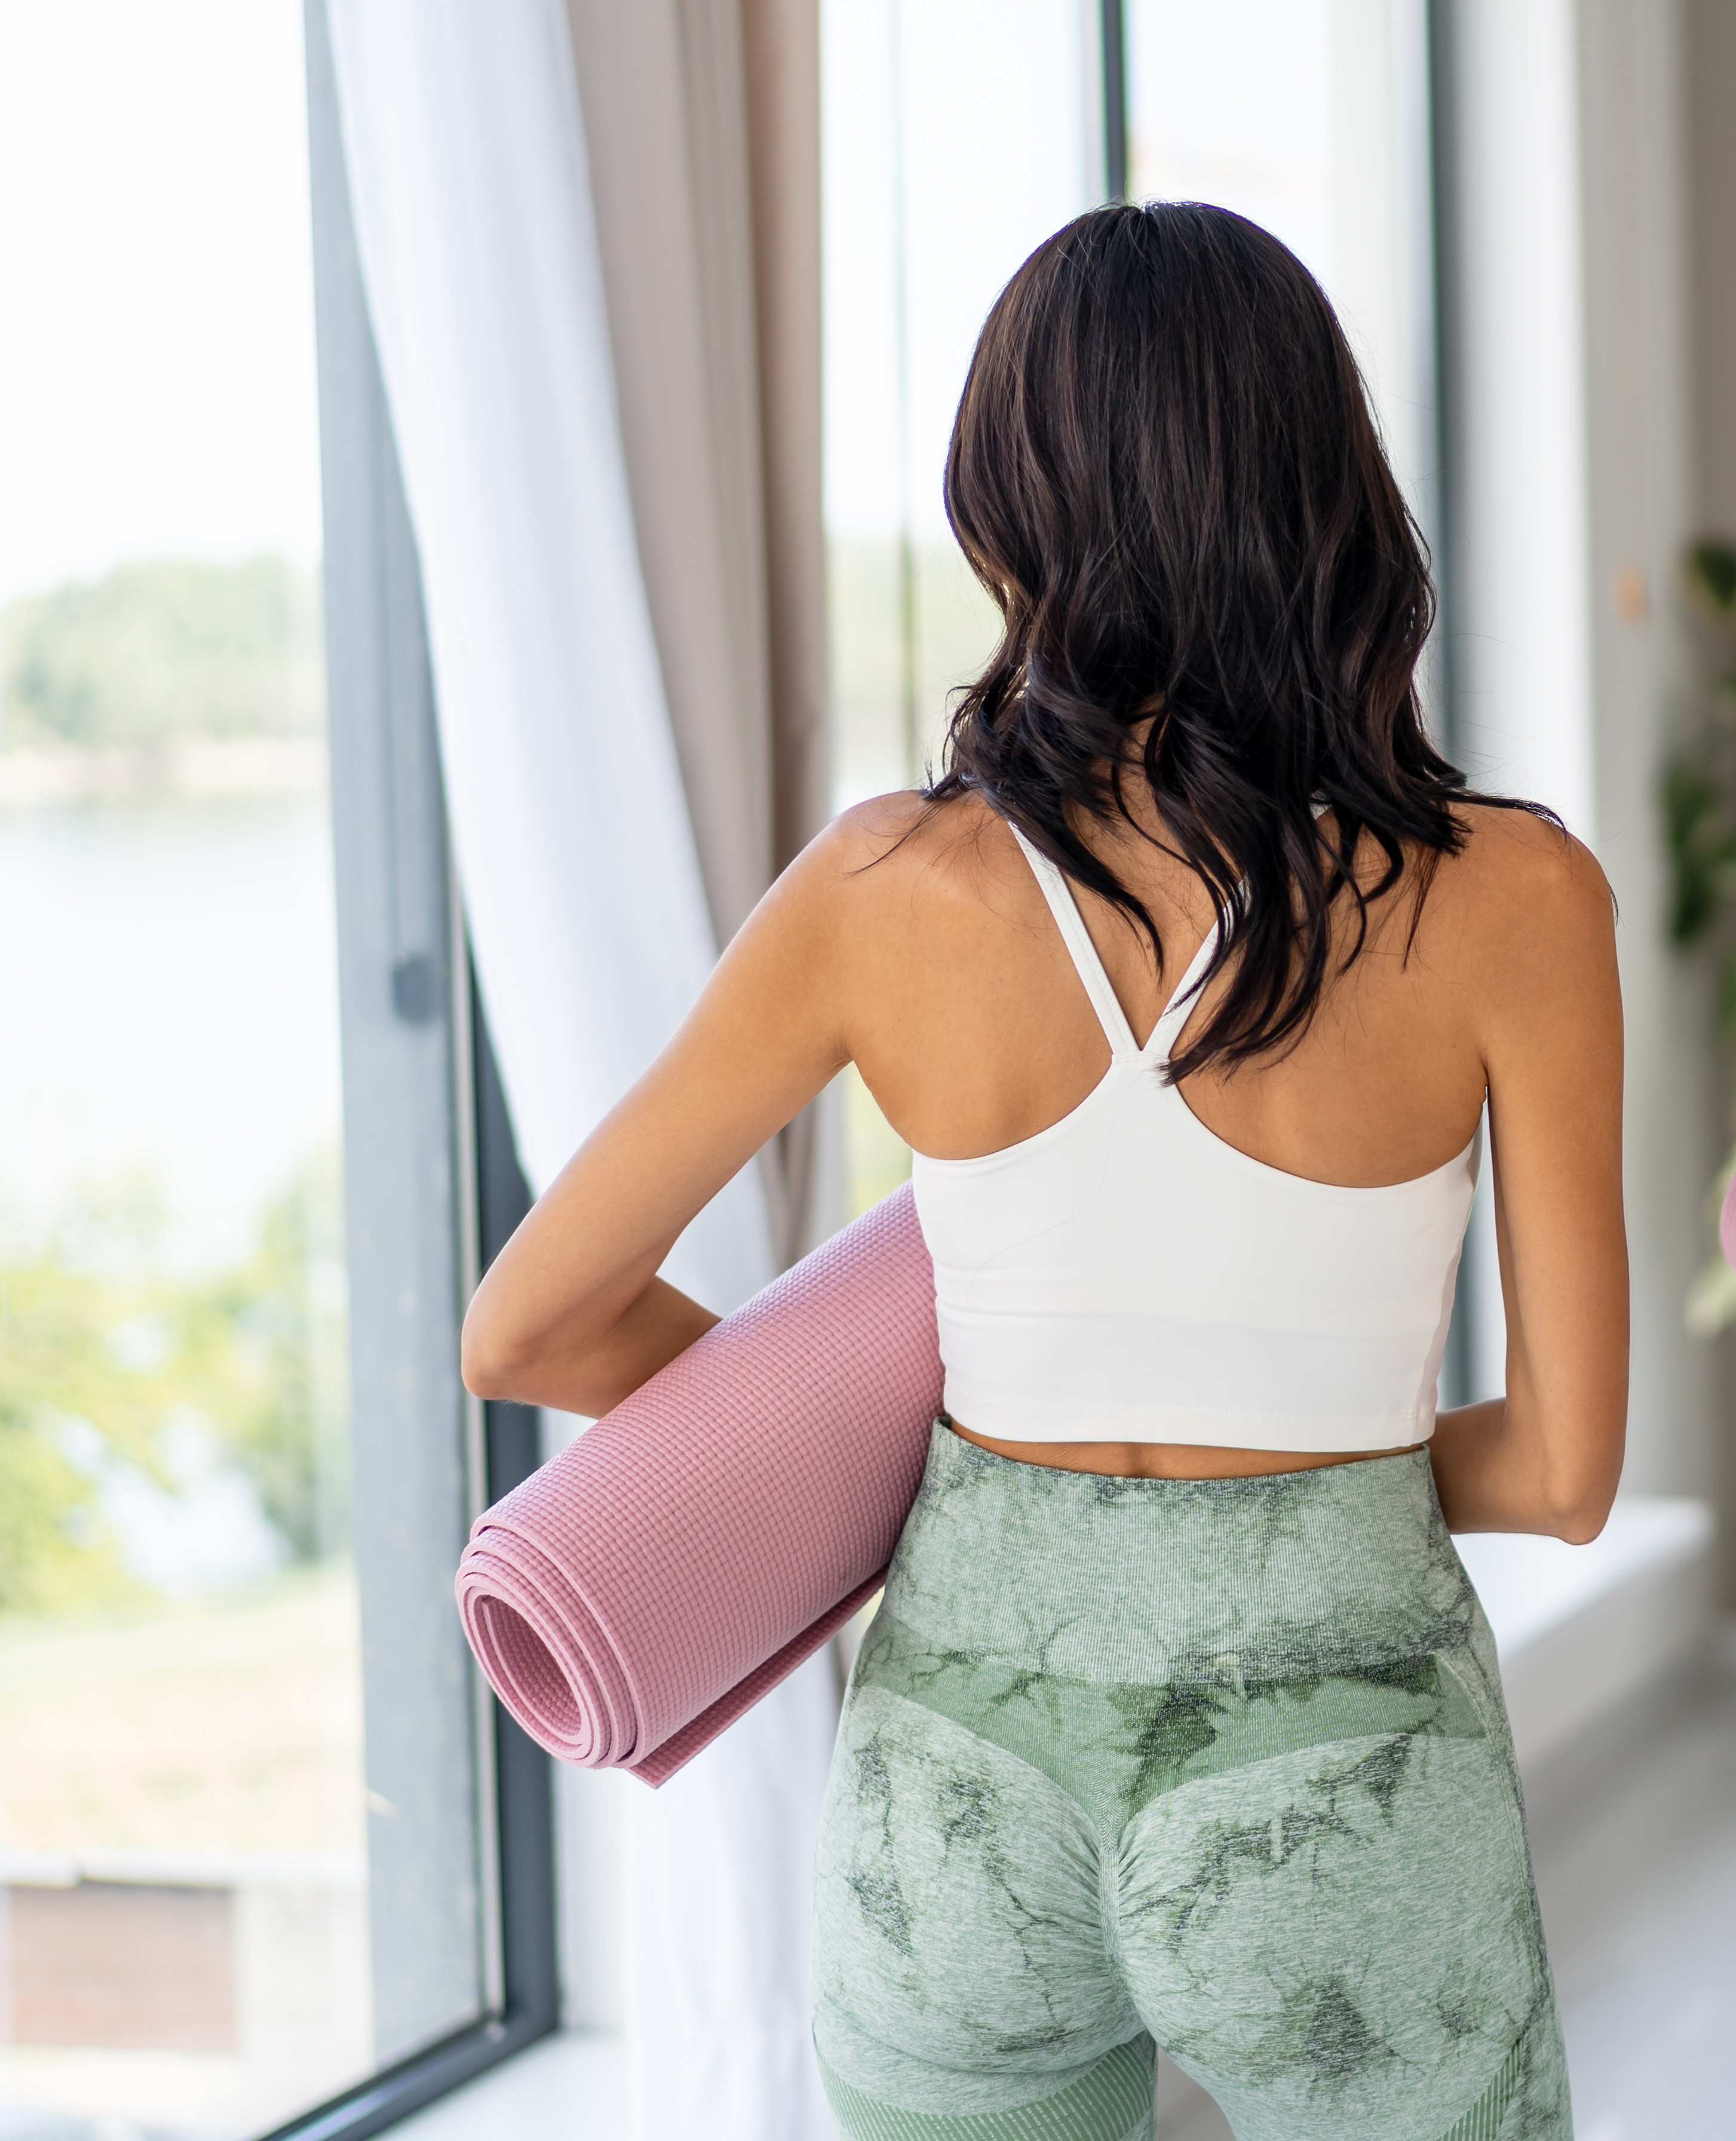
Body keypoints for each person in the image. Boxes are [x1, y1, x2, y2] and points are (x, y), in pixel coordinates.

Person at [461, 203, 1625, 2141]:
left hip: (958, 1788)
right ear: (1328, 492)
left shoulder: (879, 888)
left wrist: (915, 1470)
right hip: (1345, 1785)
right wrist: (1280, 1480)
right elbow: (1569, 1473)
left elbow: (529, 1322)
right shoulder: (1514, 895)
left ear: (1005, 502)